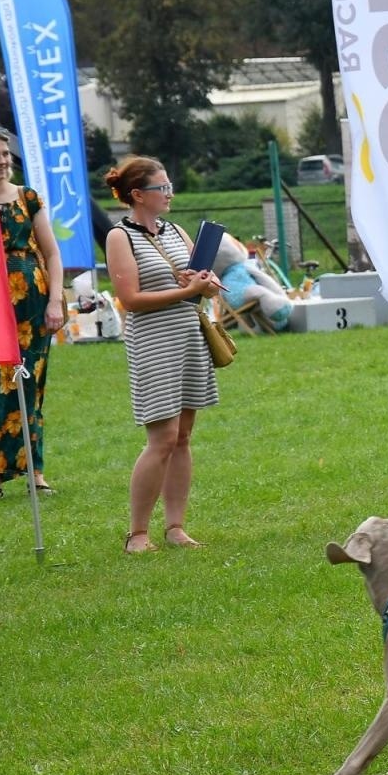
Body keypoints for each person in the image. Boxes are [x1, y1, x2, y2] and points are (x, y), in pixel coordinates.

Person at [104, 156, 222, 553]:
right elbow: (131, 299)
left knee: (183, 436)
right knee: (162, 438)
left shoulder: (176, 231)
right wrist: (189, 292)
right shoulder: (121, 236)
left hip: (188, 336)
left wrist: (206, 284)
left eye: (169, 186)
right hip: (153, 341)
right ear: (138, 195)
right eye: (162, 187)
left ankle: (175, 527)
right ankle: (137, 534)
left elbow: (199, 274)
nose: (170, 193)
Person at [0, 124, 64, 499]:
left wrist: (55, 301)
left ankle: (34, 469)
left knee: (28, 384)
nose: (2, 161)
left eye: (5, 153)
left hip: (31, 303)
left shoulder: (27, 197)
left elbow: (51, 252)